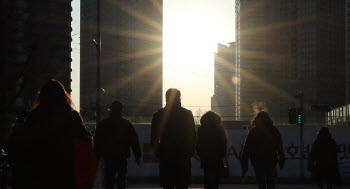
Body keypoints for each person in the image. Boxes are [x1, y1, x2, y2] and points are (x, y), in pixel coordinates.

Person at [7, 79, 93, 189]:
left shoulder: (33, 118)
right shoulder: (72, 117)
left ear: (41, 96)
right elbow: (85, 144)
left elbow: (16, 149)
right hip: (65, 175)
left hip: (36, 177)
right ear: (63, 96)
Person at [151, 88, 196, 189]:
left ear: (166, 98)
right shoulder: (187, 114)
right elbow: (192, 135)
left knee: (168, 184)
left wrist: (159, 153)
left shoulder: (158, 115)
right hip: (183, 156)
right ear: (179, 98)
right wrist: (190, 151)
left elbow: (154, 137)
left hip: (166, 156)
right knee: (182, 184)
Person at [94, 101, 141, 189]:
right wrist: (137, 155)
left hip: (108, 156)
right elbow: (134, 141)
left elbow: (98, 140)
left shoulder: (103, 124)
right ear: (121, 110)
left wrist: (97, 155)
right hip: (122, 155)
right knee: (121, 179)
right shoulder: (126, 124)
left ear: (111, 110)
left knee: (109, 179)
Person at [240, 111, 285, 189]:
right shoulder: (274, 130)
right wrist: (281, 158)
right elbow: (279, 146)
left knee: (261, 183)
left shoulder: (253, 131)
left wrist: (244, 164)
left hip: (257, 161)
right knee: (271, 182)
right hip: (271, 160)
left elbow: (246, 149)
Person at [195, 111, 227, 189]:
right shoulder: (220, 128)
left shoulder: (201, 129)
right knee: (216, 178)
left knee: (207, 176)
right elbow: (224, 143)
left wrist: (201, 154)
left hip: (206, 157)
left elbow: (198, 143)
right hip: (217, 157)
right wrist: (222, 155)